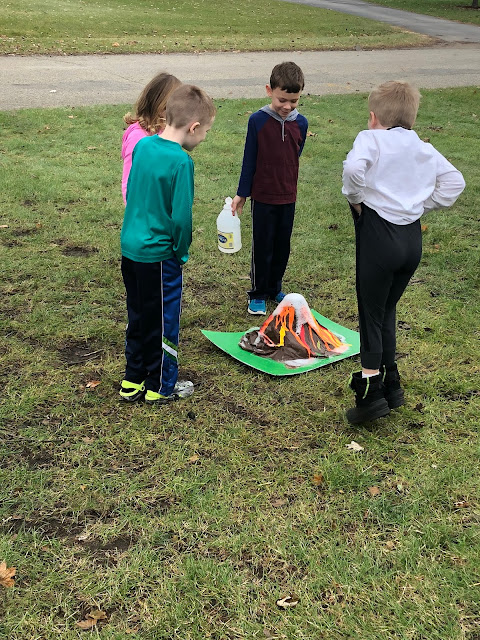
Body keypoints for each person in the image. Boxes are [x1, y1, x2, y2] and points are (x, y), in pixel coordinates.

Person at [342, 80, 465, 425]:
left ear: (373, 117)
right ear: (412, 117)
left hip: (379, 235)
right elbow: (455, 182)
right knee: (387, 308)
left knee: (370, 310)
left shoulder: (371, 139)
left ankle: (370, 391)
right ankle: (391, 381)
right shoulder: (423, 146)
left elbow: (353, 170)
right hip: (411, 240)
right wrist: (421, 205)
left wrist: (356, 199)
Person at [119, 84, 215, 404]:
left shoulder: (143, 146)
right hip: (159, 257)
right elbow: (181, 220)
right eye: (206, 132)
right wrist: (181, 252)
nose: (204, 139)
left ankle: (132, 379)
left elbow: (133, 192)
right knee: (163, 320)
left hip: (130, 250)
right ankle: (161, 386)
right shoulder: (181, 162)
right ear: (194, 127)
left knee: (138, 315)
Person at [231, 61, 308, 316]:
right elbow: (249, 159)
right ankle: (258, 293)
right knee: (263, 246)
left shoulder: (301, 123)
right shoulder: (257, 121)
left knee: (281, 246)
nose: (287, 106)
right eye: (281, 100)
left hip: (288, 196)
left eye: (293, 101)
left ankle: (275, 288)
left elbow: (295, 153)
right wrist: (242, 193)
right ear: (269, 90)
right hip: (263, 197)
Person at [121, 71, 181, 204]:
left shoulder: (167, 131)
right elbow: (129, 179)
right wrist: (133, 208)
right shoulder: (138, 138)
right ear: (159, 105)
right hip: (143, 208)